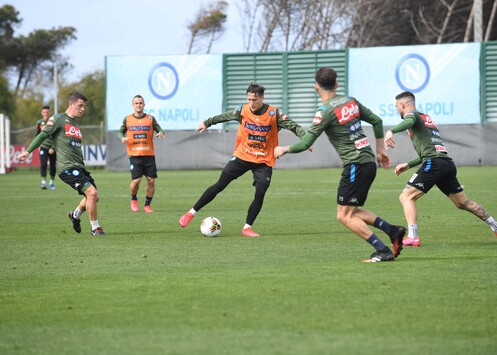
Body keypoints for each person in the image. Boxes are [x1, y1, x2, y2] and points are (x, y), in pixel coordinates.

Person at [274, 67, 406, 263]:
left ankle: (382, 250)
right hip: (367, 162)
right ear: (336, 84)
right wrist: (380, 150)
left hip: (355, 165)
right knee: (351, 211)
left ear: (316, 87)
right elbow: (377, 121)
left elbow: (306, 143)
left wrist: (283, 149)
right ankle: (393, 231)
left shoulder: (325, 112)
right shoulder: (350, 101)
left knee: (343, 216)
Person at [179, 83, 307, 237]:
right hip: (242, 155)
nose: (251, 103)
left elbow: (293, 126)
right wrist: (207, 123)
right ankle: (190, 213)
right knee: (220, 184)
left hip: (263, 160)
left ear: (262, 98)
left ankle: (247, 228)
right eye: (249, 99)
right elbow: (224, 116)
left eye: (254, 100)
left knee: (260, 192)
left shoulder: (274, 114)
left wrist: (305, 139)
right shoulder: (242, 110)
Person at [384, 91, 497, 246]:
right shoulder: (426, 119)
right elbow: (432, 150)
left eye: (397, 106)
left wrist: (391, 131)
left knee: (406, 197)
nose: (397, 110)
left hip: (435, 164)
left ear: (403, 105)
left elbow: (409, 121)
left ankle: (413, 237)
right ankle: (494, 224)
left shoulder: (413, 116)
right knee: (462, 203)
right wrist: (408, 164)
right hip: (446, 164)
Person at [19, 91, 106, 236]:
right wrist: (28, 151)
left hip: (79, 167)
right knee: (92, 193)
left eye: (84, 106)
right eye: (80, 105)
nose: (83, 109)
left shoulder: (75, 125)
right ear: (71, 105)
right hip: (68, 168)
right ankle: (95, 228)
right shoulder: (58, 118)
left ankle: (75, 215)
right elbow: (43, 135)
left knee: (93, 197)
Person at [118, 95, 164, 213]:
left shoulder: (150, 118)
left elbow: (159, 129)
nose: (138, 105)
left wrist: (160, 133)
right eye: (136, 103)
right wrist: (122, 138)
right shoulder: (127, 119)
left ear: (144, 105)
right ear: (133, 105)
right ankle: (133, 199)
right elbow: (120, 132)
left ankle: (147, 205)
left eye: (140, 103)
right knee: (136, 180)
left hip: (149, 154)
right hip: (134, 155)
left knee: (151, 181)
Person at [36, 105, 57, 190]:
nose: (46, 114)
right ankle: (43, 182)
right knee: (43, 164)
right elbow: (37, 135)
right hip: (43, 146)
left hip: (52, 147)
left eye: (47, 112)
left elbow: (57, 136)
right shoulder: (39, 123)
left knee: (53, 166)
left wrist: (53, 147)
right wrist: (37, 145)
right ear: (42, 113)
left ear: (50, 113)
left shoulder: (54, 122)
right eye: (44, 112)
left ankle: (51, 182)